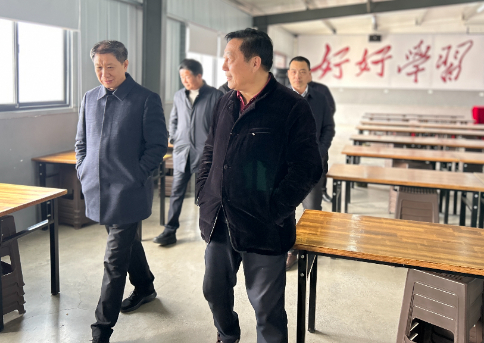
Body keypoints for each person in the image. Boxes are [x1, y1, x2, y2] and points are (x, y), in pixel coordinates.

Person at [196, 28, 323, 343]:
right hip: (220, 217)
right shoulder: (225, 102)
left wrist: (275, 210)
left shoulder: (292, 107)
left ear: (255, 62)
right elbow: (210, 149)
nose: (223, 66)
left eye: (230, 59)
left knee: (267, 309)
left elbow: (308, 167)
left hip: (265, 227)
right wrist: (204, 192)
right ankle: (228, 334)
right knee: (214, 290)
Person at [76, 40, 168, 343]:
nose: (104, 73)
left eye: (110, 67)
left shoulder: (145, 99)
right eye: (98, 67)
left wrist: (136, 175)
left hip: (128, 193)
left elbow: (157, 145)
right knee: (128, 244)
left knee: (114, 261)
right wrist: (83, 169)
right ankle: (145, 287)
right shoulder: (90, 98)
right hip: (97, 190)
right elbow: (81, 143)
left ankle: (101, 330)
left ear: (125, 64)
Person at [153, 59, 223, 246]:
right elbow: (174, 119)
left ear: (199, 76)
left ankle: (209, 231)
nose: (184, 80)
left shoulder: (215, 95)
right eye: (181, 77)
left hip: (205, 155)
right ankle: (169, 231)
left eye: (187, 76)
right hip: (182, 153)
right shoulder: (179, 96)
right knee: (176, 193)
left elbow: (220, 124)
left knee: (206, 196)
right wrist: (175, 138)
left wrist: (214, 147)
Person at [285, 56, 334, 270]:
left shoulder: (320, 98)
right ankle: (289, 250)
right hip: (285, 166)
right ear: (288, 74)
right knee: (285, 209)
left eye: (302, 71)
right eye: (294, 71)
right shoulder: (278, 97)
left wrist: (319, 152)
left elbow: (328, 128)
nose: (298, 75)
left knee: (312, 210)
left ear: (310, 74)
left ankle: (309, 249)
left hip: (312, 164)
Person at [308, 75, 336, 202]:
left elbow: (330, 108)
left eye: (303, 71)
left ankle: (322, 191)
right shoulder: (289, 90)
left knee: (321, 166)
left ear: (309, 74)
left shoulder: (321, 89)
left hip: (318, 136)